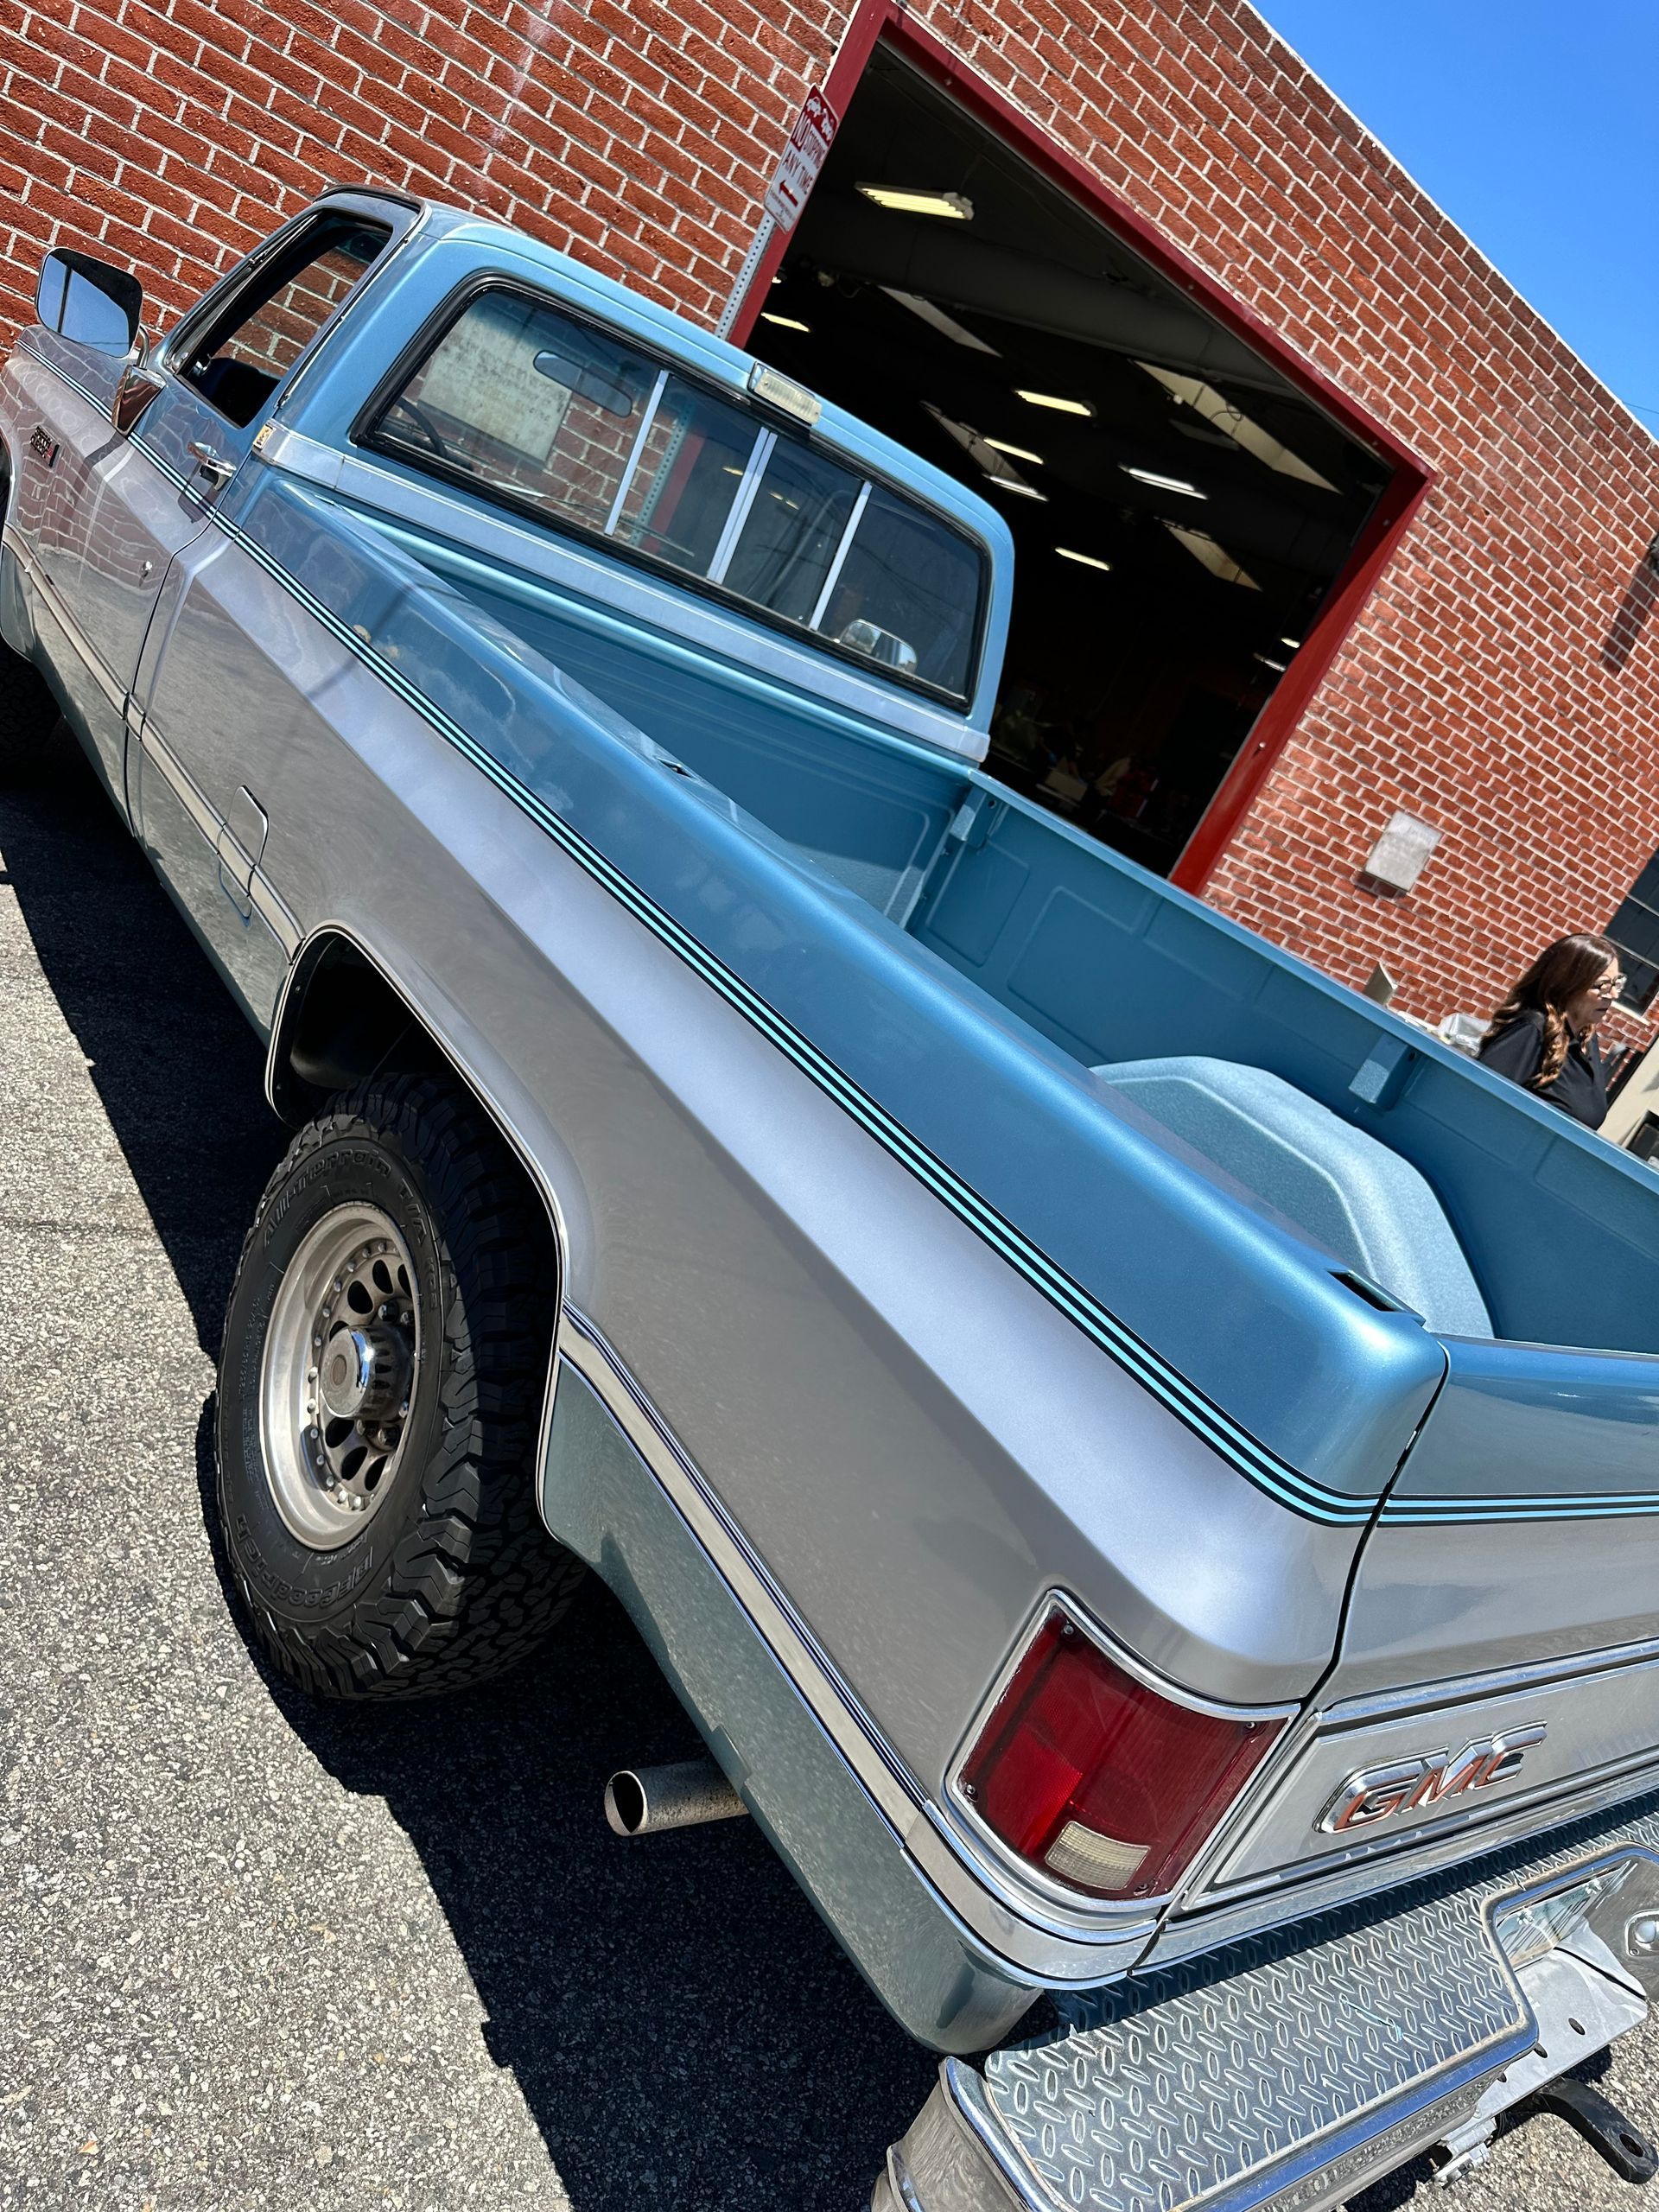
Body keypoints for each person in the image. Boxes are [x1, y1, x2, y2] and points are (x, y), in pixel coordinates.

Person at [1477, 932, 1624, 1129]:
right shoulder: (1532, 1031)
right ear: (1569, 983)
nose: (1613, 995)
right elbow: (1476, 1099)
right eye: (1603, 985)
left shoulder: (1587, 1039)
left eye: (1616, 984)